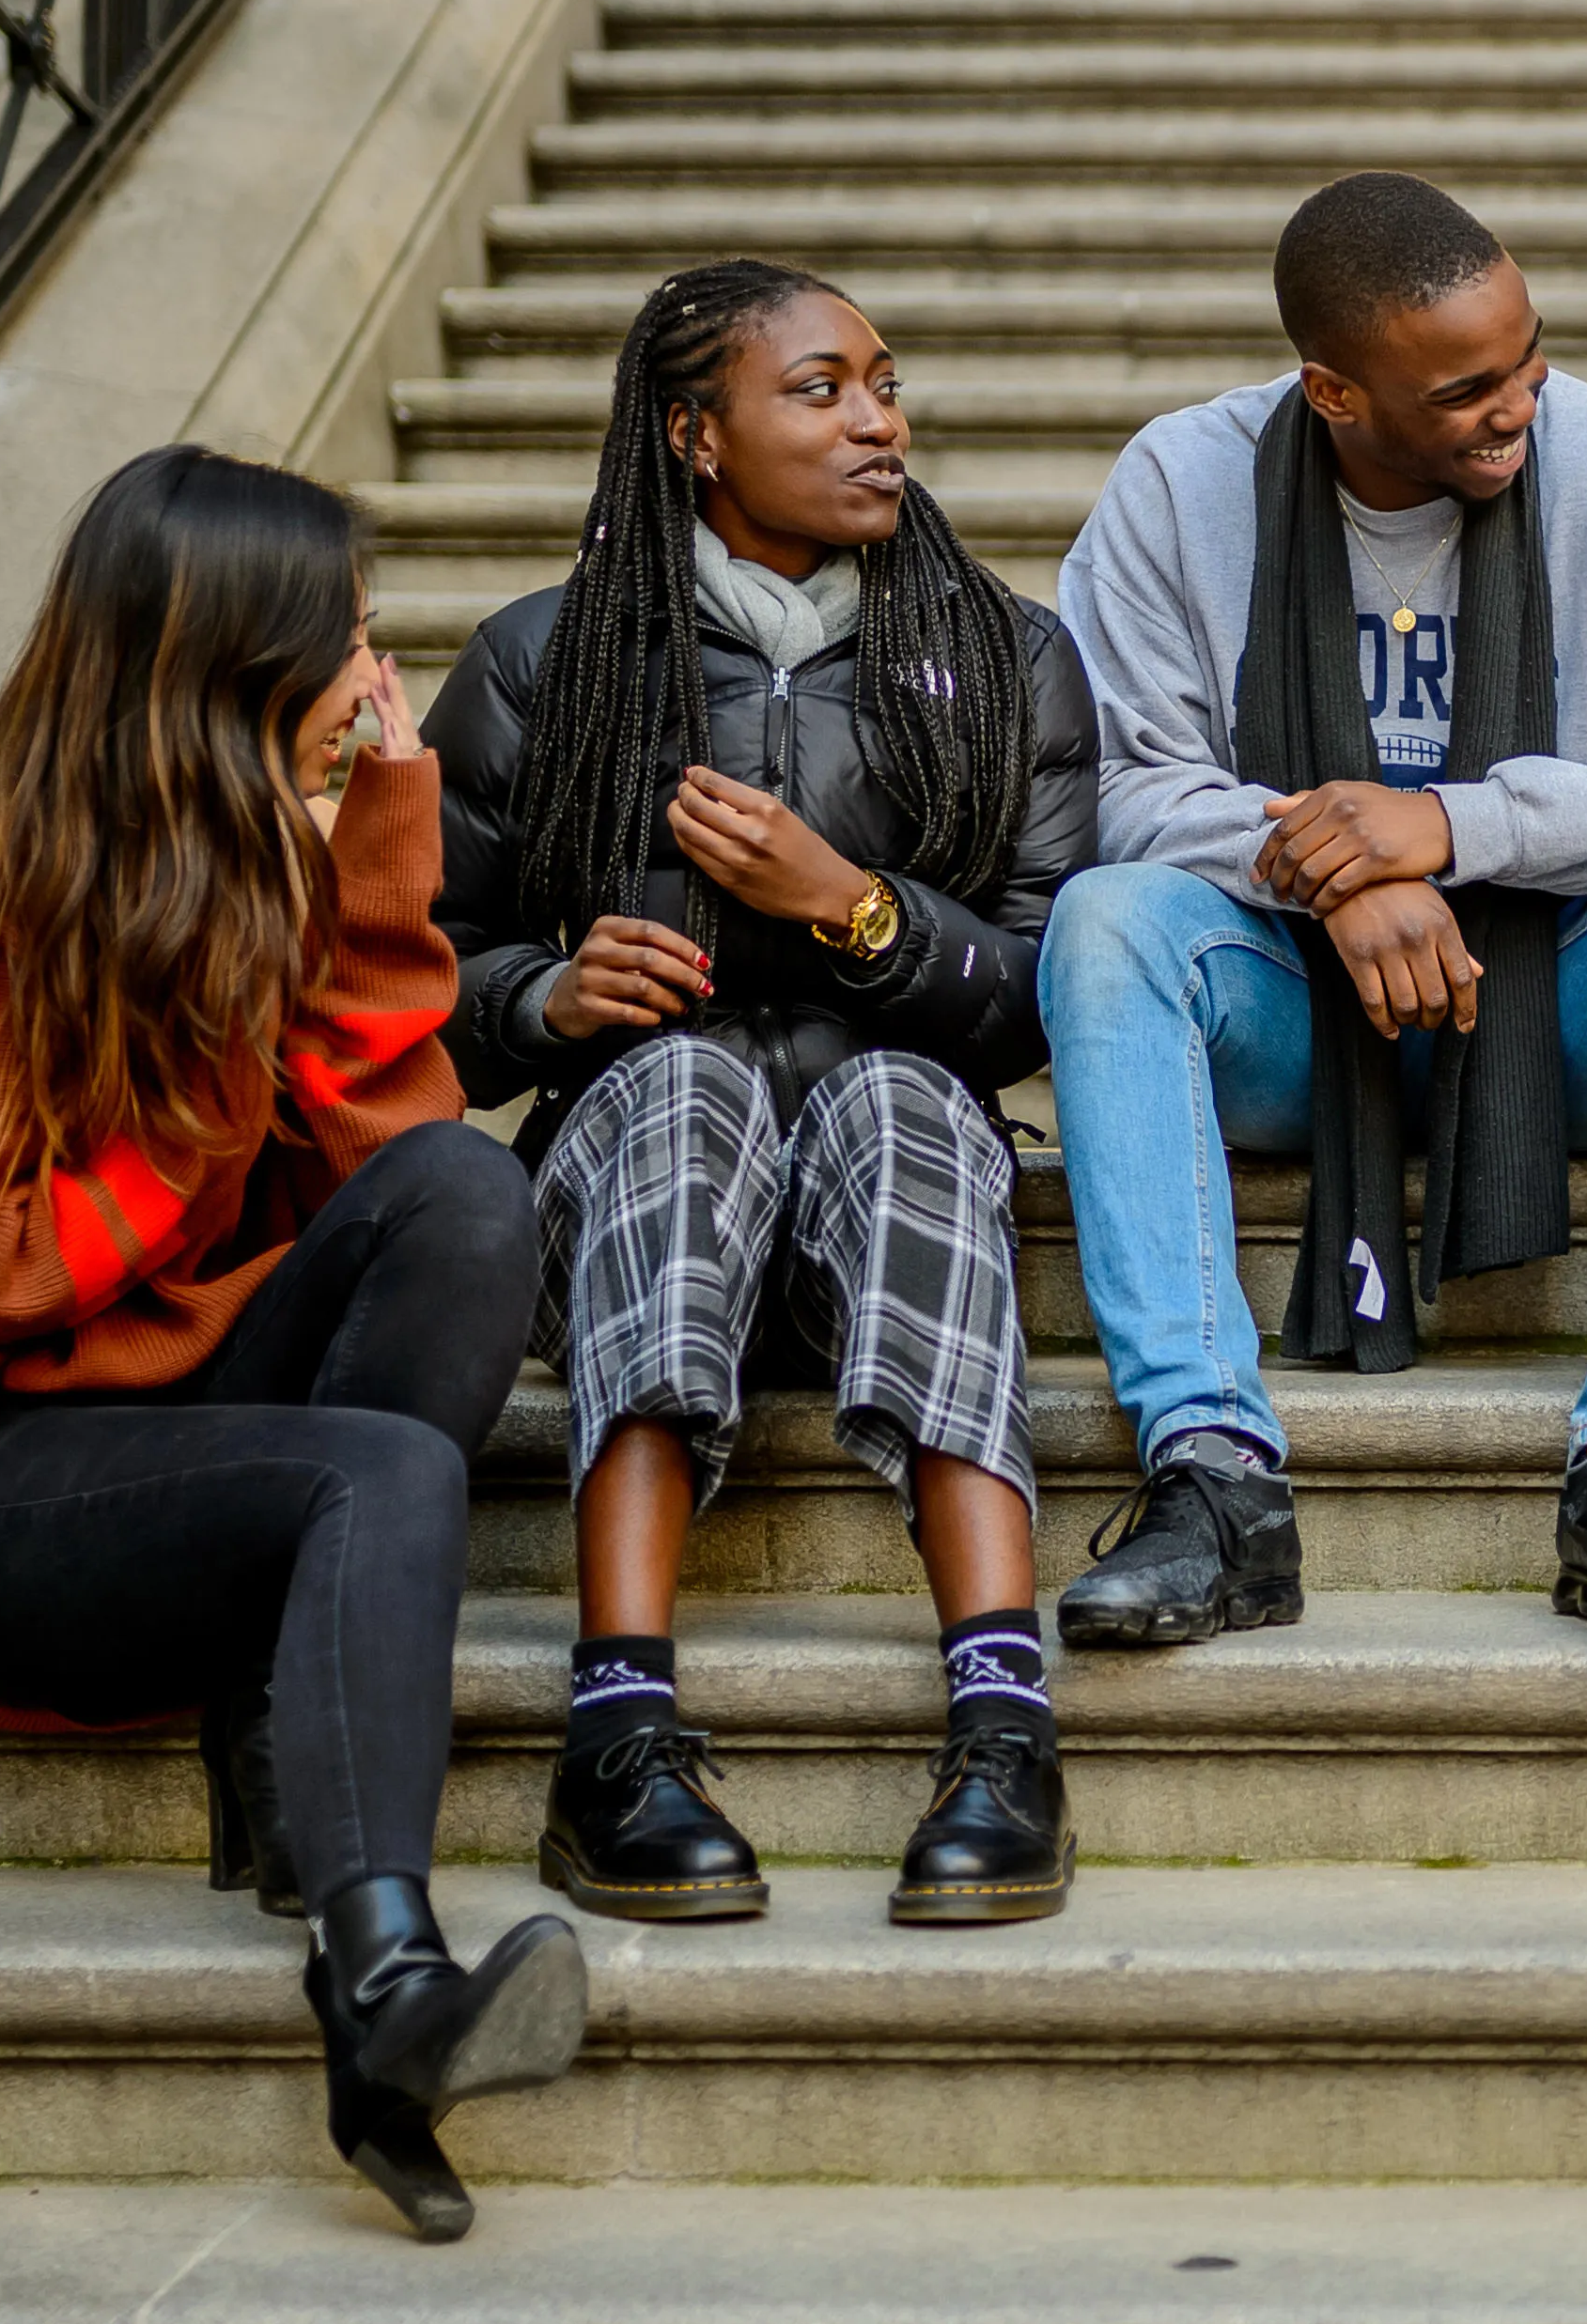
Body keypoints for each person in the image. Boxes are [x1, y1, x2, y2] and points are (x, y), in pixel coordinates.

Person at [0, 444, 574, 2245]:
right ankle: (387, 1988)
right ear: (227, 666)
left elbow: (391, 1162)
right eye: (350, 645)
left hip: (189, 1434)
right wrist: (223, 1072)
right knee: (376, 1466)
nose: (377, 682)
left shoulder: (247, 892)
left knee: (466, 1188)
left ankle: (337, 1884)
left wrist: (380, 849)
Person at [1041, 170, 1587, 1650]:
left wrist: (1454, 826)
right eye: (1467, 387)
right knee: (1105, 919)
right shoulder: (1179, 482)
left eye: (1529, 355)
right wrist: (1336, 868)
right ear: (1334, 390)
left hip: (1556, 1009)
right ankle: (1211, 1479)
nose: (1519, 401)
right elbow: (1115, 788)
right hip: (1284, 1005)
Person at [428, 257, 1101, 1928]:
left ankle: (1006, 1722)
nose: (879, 418)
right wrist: (545, 990)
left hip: (899, 1213)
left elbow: (1037, 995)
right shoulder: (542, 664)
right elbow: (407, 987)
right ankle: (619, 1727)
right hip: (641, 1224)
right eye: (821, 389)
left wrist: (850, 906)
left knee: (902, 1096)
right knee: (677, 1087)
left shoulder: (1008, 655)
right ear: (696, 436)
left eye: (883, 381)